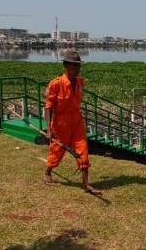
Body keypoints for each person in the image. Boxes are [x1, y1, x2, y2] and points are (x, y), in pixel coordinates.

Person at [43, 50, 101, 195]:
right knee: (57, 151)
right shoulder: (55, 84)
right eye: (75, 65)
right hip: (60, 122)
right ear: (67, 65)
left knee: (83, 151)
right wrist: (49, 129)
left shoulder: (80, 82)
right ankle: (48, 172)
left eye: (78, 65)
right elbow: (49, 107)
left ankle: (86, 184)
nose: (78, 68)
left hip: (77, 121)